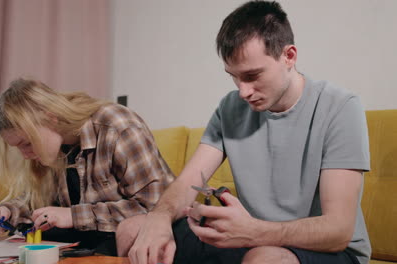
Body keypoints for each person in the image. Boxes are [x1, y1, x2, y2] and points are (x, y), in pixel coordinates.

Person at [117, 1, 371, 264]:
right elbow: (186, 182)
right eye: (234, 77)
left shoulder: (340, 107)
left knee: (265, 259)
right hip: (250, 237)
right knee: (133, 230)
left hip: (328, 251)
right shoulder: (230, 107)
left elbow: (338, 232)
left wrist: (254, 232)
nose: (243, 91)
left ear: (289, 56)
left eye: (253, 75)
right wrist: (159, 218)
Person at [0, 78, 174, 256]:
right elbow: (39, 203)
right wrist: (7, 212)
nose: (25, 154)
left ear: (51, 118)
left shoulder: (116, 125)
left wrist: (74, 216)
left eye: (27, 143)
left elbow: (155, 208)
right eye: (18, 147)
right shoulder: (54, 148)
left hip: (134, 236)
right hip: (88, 241)